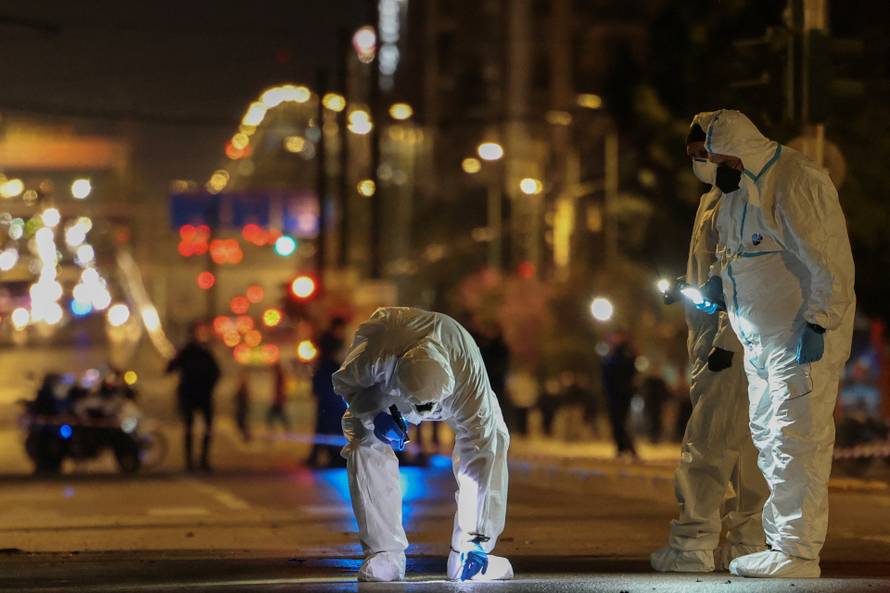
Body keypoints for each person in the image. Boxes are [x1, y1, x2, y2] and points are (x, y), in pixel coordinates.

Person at [690, 110, 855, 578]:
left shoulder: (796, 181)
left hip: (798, 339)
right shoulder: (735, 194)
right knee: (770, 440)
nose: (708, 166)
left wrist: (819, 323)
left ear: (734, 151)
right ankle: (782, 543)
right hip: (761, 341)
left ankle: (799, 552)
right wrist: (718, 287)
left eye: (711, 157)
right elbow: (734, 255)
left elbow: (830, 262)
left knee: (798, 440)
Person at [650, 113, 769, 574]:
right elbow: (714, 269)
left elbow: (744, 274)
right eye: (693, 157)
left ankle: (693, 542)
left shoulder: (746, 198)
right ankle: (745, 542)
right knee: (743, 446)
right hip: (713, 341)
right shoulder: (713, 201)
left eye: (703, 155)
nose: (698, 164)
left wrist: (725, 341)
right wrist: (687, 284)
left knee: (709, 445)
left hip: (731, 344)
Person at [332, 307, 512, 582]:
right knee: (362, 439)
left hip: (456, 382)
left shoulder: (468, 376)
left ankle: (469, 551)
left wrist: (478, 535)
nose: (425, 416)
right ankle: (384, 553)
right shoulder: (374, 356)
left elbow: (481, 448)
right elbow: (346, 387)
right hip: (386, 388)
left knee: (495, 436)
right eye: (419, 408)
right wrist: (374, 415)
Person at [166, 321, 220, 472]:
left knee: (206, 428)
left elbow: (216, 372)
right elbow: (170, 368)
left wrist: (209, 386)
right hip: (190, 395)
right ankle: (191, 461)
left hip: (201, 395)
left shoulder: (203, 352)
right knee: (190, 428)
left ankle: (202, 460)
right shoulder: (187, 352)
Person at [308, 319, 348, 467]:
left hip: (326, 393)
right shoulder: (331, 350)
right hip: (330, 395)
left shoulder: (326, 355)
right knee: (330, 424)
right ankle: (332, 455)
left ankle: (320, 455)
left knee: (324, 424)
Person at [601, 334, 638, 459]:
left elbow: (606, 375)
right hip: (622, 394)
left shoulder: (614, 358)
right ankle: (625, 447)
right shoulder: (626, 357)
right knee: (621, 422)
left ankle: (624, 447)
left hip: (617, 395)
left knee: (619, 422)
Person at [266, 362, 291, 432]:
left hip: (278, 400)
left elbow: (280, 389)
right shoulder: (279, 376)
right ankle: (286, 429)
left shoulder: (279, 376)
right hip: (278, 400)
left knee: (271, 416)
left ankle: (272, 429)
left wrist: (277, 398)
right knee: (281, 416)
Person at [234, 369, 252, 443]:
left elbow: (244, 397)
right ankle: (246, 437)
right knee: (241, 423)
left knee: (241, 422)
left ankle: (247, 437)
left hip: (242, 407)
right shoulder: (242, 385)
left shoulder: (243, 385)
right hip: (241, 407)